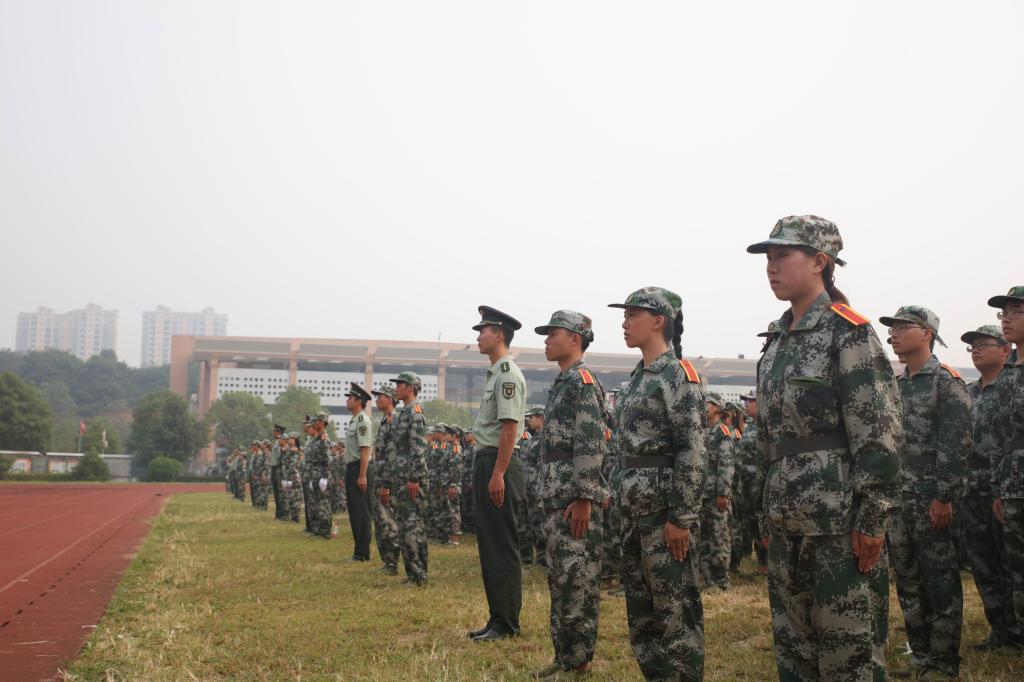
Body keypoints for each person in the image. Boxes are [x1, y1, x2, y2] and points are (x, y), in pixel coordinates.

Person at [747, 215, 903, 681]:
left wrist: (872, 518)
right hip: (785, 517)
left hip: (837, 522)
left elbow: (878, 432)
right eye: (768, 258)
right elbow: (766, 441)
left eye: (783, 255)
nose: (772, 266)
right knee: (794, 649)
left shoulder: (848, 332)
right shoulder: (775, 341)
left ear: (820, 262)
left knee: (848, 651)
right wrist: (764, 515)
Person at [607, 287, 707, 681]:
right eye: (625, 315)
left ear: (658, 321)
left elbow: (692, 449)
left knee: (675, 610)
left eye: (633, 315)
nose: (625, 323)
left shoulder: (677, 375)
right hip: (633, 511)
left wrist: (681, 517)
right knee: (642, 612)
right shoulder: (636, 379)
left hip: (663, 513)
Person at [880, 306, 972, 679]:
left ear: (927, 334)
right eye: (893, 328)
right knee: (907, 577)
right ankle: (920, 653)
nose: (894, 334)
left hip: (931, 496)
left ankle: (944, 661)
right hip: (899, 495)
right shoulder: (895, 384)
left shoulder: (946, 382)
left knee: (940, 577)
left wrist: (943, 496)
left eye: (904, 327)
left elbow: (956, 444)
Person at [530, 310, 608, 680]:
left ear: (575, 339)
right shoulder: (564, 382)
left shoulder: (583, 382)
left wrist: (584, 497)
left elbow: (591, 443)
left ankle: (578, 662)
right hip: (557, 496)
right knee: (561, 579)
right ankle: (563, 656)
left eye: (553, 334)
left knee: (578, 581)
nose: (547, 341)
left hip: (573, 500)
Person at [467, 306, 527, 642]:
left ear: (499, 334)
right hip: (488, 460)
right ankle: (497, 618)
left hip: (498, 462)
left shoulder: (507, 374)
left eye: (483, 330)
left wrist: (498, 473)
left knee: (501, 546)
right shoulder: (495, 373)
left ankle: (506, 623)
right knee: (490, 545)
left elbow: (509, 428)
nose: (478, 336)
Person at [960, 324, 1020, 649]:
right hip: (972, 491)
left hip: (1006, 488)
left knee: (1012, 562)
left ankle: (1017, 630)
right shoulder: (967, 393)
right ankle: (1001, 630)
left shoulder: (1011, 388)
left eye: (984, 344)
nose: (977, 351)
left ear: (1004, 349)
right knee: (983, 565)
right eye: (973, 347)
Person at [988, 286, 1024, 651]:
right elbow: (999, 437)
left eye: (1016, 311)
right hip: (1014, 486)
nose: (1007, 319)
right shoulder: (1008, 374)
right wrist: (999, 489)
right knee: (1018, 569)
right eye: (1004, 313)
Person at [380, 371, 430, 586]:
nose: (396, 388)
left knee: (412, 526)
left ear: (410, 388)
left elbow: (418, 448)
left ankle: (418, 574)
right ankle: (413, 572)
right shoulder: (404, 412)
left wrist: (414, 478)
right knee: (405, 526)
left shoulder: (415, 412)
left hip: (411, 479)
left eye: (400, 384)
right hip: (401, 478)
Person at [699, 392, 734, 592]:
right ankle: (709, 579)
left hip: (715, 495)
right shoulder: (702, 430)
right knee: (704, 538)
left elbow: (726, 464)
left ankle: (721, 581)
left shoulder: (722, 432)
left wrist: (723, 493)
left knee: (719, 537)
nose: (703, 406)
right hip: (702, 494)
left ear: (716, 408)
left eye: (707, 403)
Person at [371, 385, 401, 576]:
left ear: (390, 399)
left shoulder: (394, 421)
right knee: (381, 522)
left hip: (388, 480)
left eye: (380, 396)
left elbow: (392, 456)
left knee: (388, 522)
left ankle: (392, 563)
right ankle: (387, 561)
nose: (377, 400)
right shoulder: (385, 421)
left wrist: (386, 484)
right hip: (380, 477)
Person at [736, 392, 767, 574]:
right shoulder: (750, 426)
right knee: (751, 522)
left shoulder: (766, 425)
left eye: (750, 401)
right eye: (745, 401)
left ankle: (767, 562)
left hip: (759, 482)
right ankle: (761, 562)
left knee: (762, 521)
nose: (746, 404)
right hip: (747, 484)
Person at [344, 384, 375, 561]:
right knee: (354, 511)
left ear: (358, 401)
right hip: (352, 468)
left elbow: (365, 450)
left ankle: (363, 553)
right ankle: (358, 550)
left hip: (359, 468)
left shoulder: (363, 421)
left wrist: (362, 475)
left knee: (361, 512)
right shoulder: (355, 420)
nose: (347, 400)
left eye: (350, 398)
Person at [519, 408, 546, 565]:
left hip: (538, 486)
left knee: (539, 522)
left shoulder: (545, 438)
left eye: (532, 417)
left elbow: (542, 465)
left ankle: (543, 558)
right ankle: (532, 556)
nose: (529, 420)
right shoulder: (534, 437)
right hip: (529, 486)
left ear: (541, 417)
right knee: (531, 522)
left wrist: (538, 487)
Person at [304, 412, 334, 540]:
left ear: (321, 422)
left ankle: (325, 532)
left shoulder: (324, 439)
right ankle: (317, 530)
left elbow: (327, 459)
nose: (313, 423)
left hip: (322, 474)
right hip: (314, 474)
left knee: (323, 504)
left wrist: (325, 477)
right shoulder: (316, 439)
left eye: (315, 421)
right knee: (316, 503)